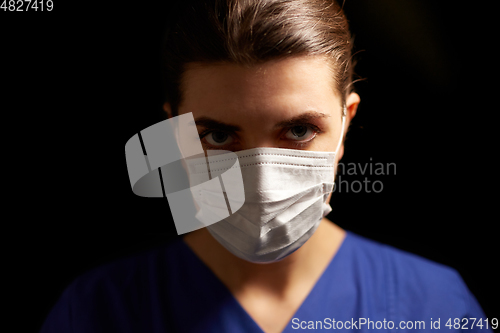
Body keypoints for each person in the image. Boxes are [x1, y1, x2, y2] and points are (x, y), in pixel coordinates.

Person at [39, 0, 493, 332]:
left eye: (298, 131)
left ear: (345, 123)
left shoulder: (433, 305)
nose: (261, 182)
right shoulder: (97, 312)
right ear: (173, 138)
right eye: (218, 135)